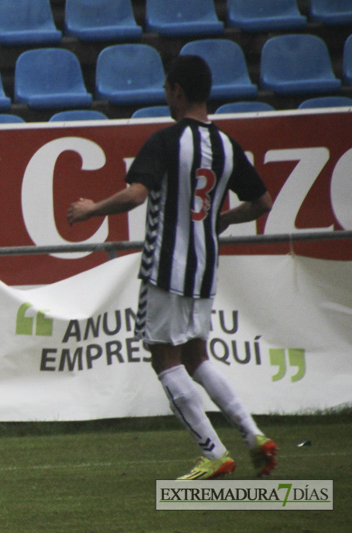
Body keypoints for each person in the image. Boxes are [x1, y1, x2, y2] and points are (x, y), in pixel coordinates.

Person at [66, 56, 277, 480]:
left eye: (166, 91)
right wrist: (220, 219)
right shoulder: (227, 146)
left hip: (165, 267)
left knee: (164, 359)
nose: (166, 98)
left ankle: (214, 453)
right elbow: (262, 202)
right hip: (204, 270)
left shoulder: (165, 140)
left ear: (176, 90)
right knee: (197, 354)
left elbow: (135, 195)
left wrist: (91, 210)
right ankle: (254, 436)